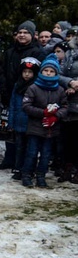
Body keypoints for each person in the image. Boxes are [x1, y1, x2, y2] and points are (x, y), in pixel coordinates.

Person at [0, 21, 45, 170]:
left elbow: (38, 75)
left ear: (32, 35)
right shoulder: (10, 51)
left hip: (26, 96)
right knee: (8, 127)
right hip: (9, 95)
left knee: (24, 131)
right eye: (20, 32)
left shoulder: (38, 52)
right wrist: (3, 89)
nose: (22, 35)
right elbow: (2, 72)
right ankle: (9, 158)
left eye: (26, 32)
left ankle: (23, 162)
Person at [21, 56, 68, 187]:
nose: (48, 73)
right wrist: (43, 113)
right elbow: (26, 106)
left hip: (51, 129)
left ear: (56, 73)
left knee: (46, 154)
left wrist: (55, 116)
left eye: (51, 71)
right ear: (41, 72)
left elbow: (65, 107)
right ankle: (27, 174)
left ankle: (41, 175)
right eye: (46, 70)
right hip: (35, 127)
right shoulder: (33, 88)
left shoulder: (60, 90)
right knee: (31, 152)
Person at [7, 57, 40, 180]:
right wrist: (11, 122)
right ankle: (19, 168)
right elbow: (13, 104)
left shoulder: (37, 86)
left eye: (30, 72)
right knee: (19, 147)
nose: (27, 74)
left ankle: (29, 169)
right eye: (24, 72)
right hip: (19, 122)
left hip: (32, 123)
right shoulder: (17, 85)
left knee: (31, 148)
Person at [57, 39, 78, 183]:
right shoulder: (69, 53)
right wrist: (70, 83)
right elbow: (58, 74)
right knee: (68, 139)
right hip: (69, 101)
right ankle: (67, 167)